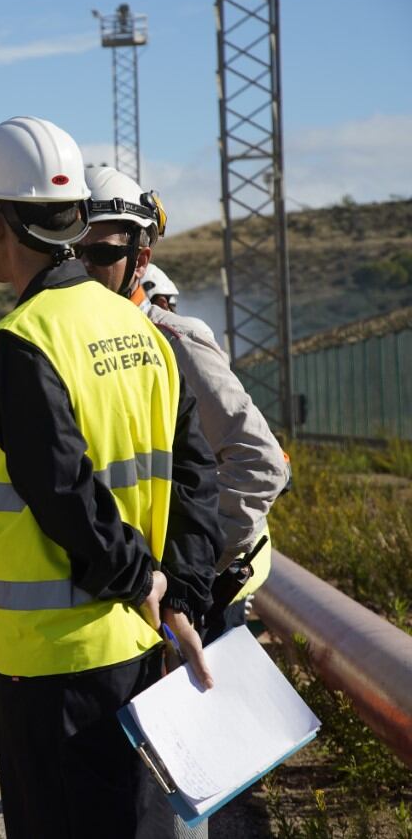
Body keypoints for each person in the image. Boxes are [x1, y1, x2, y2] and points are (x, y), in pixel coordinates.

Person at [0, 117, 219, 838]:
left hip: (48, 668)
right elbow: (198, 478)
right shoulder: (144, 331)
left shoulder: (18, 342)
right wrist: (180, 597)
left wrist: (142, 578)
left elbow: (64, 492)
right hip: (139, 649)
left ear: (2, 222)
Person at [80, 167, 288, 645]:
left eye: (102, 253)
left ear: (140, 259)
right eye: (71, 251)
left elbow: (258, 465)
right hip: (128, 594)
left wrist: (184, 575)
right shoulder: (77, 341)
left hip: (191, 598)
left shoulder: (176, 342)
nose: (83, 267)